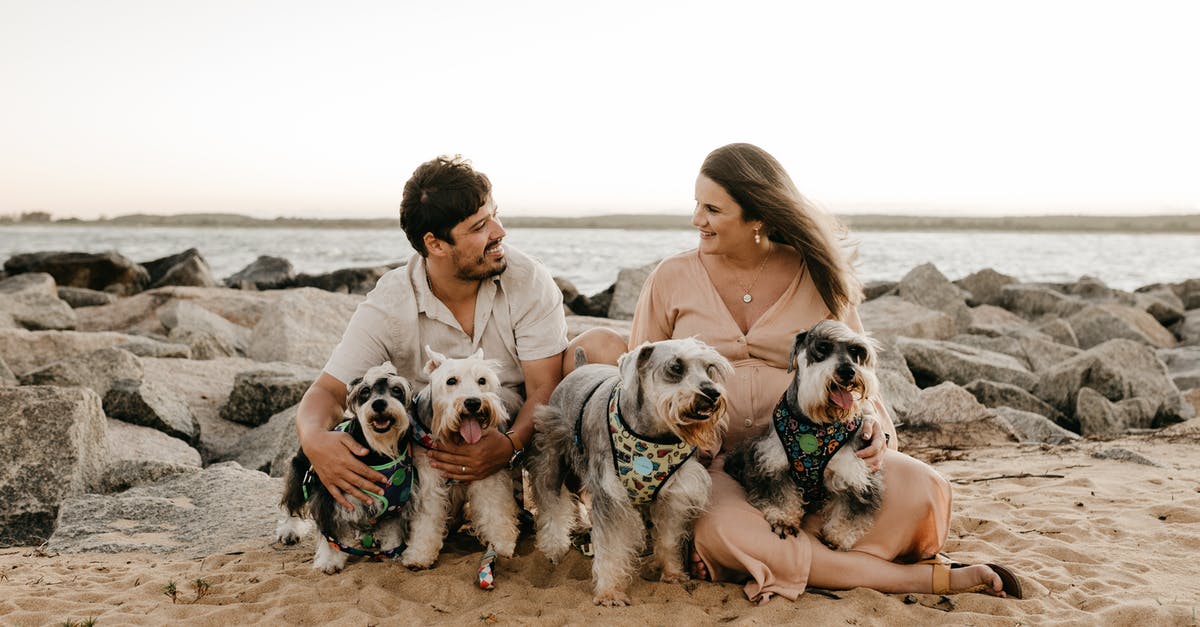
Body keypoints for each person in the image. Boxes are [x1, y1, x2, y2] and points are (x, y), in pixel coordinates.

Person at [628, 143, 1017, 602]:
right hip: (718, 467)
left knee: (923, 488)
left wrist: (877, 433)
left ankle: (793, 558)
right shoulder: (670, 277)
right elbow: (637, 383)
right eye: (696, 205)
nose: (697, 219)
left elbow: (859, 367)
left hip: (829, 451)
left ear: (758, 217)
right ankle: (915, 578)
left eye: (712, 209)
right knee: (723, 529)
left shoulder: (818, 274)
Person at [296, 155, 623, 512]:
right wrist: (315, 441)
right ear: (435, 244)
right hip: (439, 443)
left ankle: (582, 492)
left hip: (524, 426)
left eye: (495, 215)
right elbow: (328, 391)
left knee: (603, 348)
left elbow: (544, 387)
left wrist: (509, 445)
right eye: (480, 226)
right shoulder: (390, 301)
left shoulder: (527, 278)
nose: (499, 232)